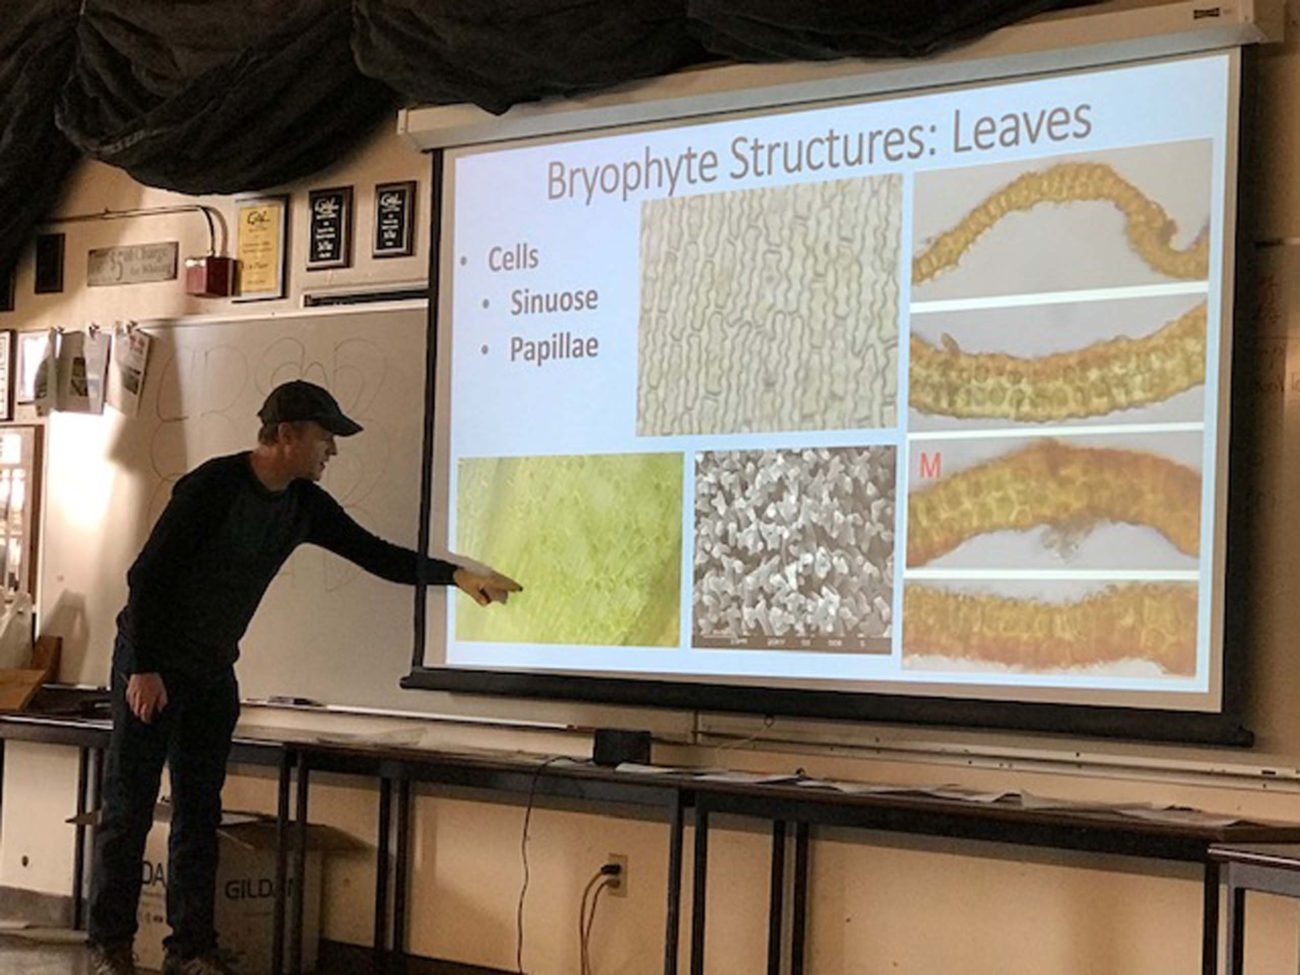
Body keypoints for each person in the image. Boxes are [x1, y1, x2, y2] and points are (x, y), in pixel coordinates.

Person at [86, 380, 520, 975]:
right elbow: (147, 579)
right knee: (129, 807)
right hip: (152, 665)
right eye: (325, 437)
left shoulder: (303, 505)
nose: (332, 452)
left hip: (212, 672)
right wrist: (144, 668)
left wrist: (456, 576)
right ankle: (109, 945)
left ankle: (189, 948)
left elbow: (376, 554)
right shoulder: (211, 488)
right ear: (286, 435)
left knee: (199, 812)